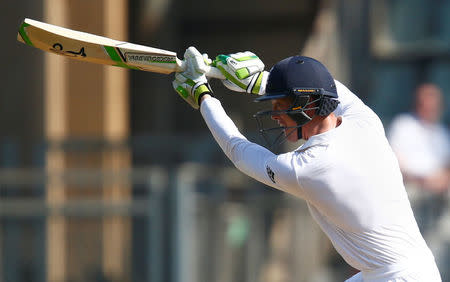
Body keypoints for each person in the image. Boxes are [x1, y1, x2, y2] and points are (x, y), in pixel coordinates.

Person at [172, 47, 442, 281]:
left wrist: (203, 96)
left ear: (308, 106)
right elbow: (327, 88)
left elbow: (239, 151)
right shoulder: (365, 120)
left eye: (280, 105)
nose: (275, 116)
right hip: (405, 270)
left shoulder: (311, 167)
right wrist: (255, 80)